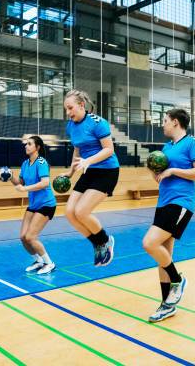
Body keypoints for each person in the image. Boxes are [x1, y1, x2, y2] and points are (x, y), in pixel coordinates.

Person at [142, 109, 195, 322]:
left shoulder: (192, 143)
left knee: (150, 243)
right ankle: (166, 305)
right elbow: (159, 179)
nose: (162, 125)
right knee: (164, 255)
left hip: (181, 202)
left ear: (176, 122)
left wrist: (173, 171)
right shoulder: (166, 148)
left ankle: (177, 280)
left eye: (165, 121)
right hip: (164, 202)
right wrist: (155, 170)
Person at [62, 89, 119, 266]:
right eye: (65, 109)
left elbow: (109, 149)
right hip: (89, 170)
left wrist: (89, 160)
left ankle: (106, 240)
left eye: (70, 108)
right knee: (70, 213)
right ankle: (96, 244)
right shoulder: (71, 126)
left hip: (106, 171)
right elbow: (77, 150)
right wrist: (70, 173)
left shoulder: (98, 122)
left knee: (81, 211)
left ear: (81, 105)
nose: (68, 112)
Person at [10, 135, 57, 275]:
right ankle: (38, 261)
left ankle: (49, 263)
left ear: (37, 147)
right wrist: (9, 176)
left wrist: (25, 189)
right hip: (34, 205)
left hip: (46, 204)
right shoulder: (25, 164)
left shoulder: (41, 162)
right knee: (23, 237)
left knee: (31, 237)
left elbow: (45, 183)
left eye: (29, 144)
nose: (26, 146)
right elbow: (20, 182)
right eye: (26, 144)